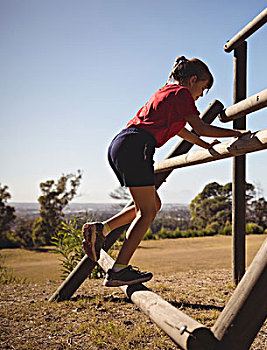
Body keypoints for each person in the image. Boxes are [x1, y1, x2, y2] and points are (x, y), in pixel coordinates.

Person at [82, 56, 250, 287]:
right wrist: (238, 134)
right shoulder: (181, 94)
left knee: (152, 205)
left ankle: (101, 229)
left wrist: (206, 146)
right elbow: (200, 127)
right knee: (147, 212)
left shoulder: (166, 92)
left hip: (123, 144)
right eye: (202, 89)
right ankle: (119, 271)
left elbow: (182, 131)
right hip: (136, 147)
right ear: (192, 80)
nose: (200, 95)